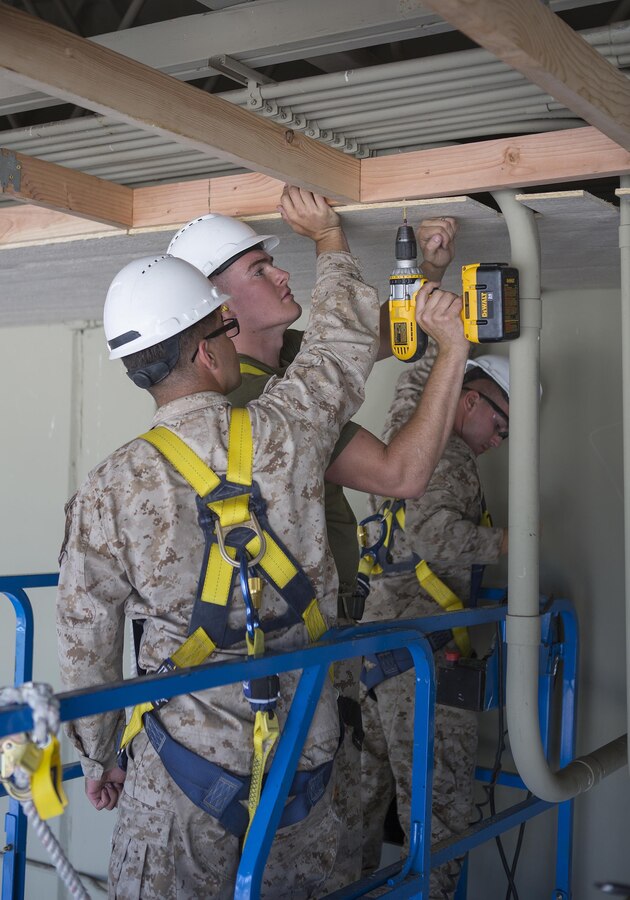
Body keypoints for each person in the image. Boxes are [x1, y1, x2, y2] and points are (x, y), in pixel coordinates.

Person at [56, 190, 467, 898]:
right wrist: (332, 244)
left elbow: (84, 645)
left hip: (181, 767)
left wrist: (98, 756)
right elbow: (341, 343)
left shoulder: (108, 486)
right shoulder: (285, 431)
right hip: (302, 752)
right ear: (210, 349)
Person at [360, 347, 512, 899]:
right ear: (468, 400)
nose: (500, 439)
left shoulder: (411, 434)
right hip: (425, 654)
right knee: (437, 810)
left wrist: (457, 340)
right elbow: (434, 536)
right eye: (499, 423)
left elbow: (411, 384)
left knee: (364, 805)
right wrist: (508, 542)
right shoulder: (448, 458)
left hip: (379, 649)